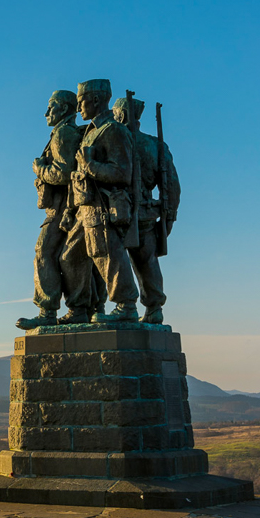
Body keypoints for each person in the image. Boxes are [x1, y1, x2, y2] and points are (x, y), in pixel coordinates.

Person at [66, 79, 140, 323]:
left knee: (108, 254)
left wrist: (91, 166)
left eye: (81, 101)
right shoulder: (91, 131)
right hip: (84, 206)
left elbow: (122, 173)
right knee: (71, 257)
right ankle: (78, 309)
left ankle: (126, 306)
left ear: (96, 100)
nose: (79, 108)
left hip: (103, 206)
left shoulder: (113, 130)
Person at [17, 90, 84, 330]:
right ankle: (79, 309)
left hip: (62, 208)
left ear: (65, 109)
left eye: (51, 107)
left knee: (44, 251)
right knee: (70, 258)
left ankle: (47, 311)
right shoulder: (66, 132)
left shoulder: (63, 133)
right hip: (68, 207)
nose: (46, 112)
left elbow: (64, 173)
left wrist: (40, 170)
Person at [112, 96, 181, 324]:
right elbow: (171, 187)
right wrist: (169, 217)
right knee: (147, 261)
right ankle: (154, 307)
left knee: (114, 258)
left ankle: (124, 306)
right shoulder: (155, 145)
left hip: (120, 213)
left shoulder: (116, 141)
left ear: (121, 115)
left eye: (115, 115)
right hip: (147, 213)